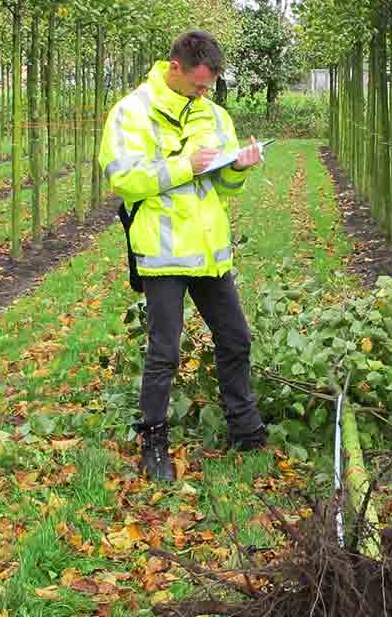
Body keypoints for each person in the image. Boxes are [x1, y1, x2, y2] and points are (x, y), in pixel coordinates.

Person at [97, 31, 267, 482]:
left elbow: (224, 188)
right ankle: (153, 443)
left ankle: (245, 430)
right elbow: (123, 179)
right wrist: (183, 166)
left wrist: (237, 169)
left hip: (209, 254)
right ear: (175, 68)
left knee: (236, 340)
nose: (204, 93)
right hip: (163, 253)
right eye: (198, 85)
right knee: (164, 353)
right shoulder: (131, 113)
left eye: (209, 86)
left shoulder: (215, 115)